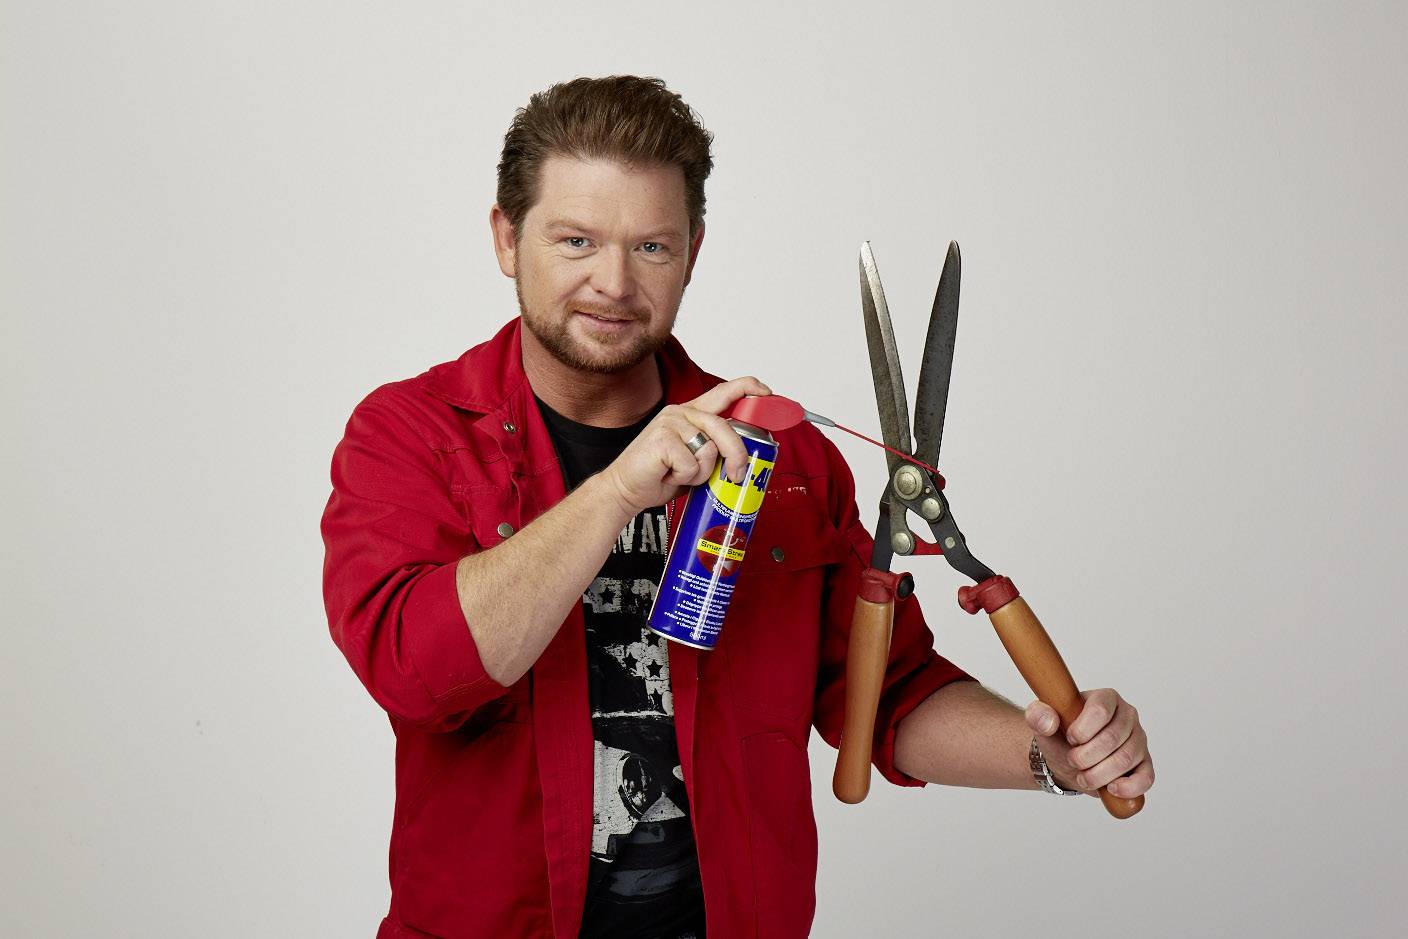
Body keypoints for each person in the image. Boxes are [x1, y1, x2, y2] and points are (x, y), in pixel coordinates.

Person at [320, 75, 1154, 939]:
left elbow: (887, 694)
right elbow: (414, 668)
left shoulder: (784, 462)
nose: (612, 282)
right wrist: (613, 492)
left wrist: (1049, 756)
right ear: (506, 237)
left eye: (651, 247)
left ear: (693, 250)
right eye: (575, 240)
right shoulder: (411, 435)